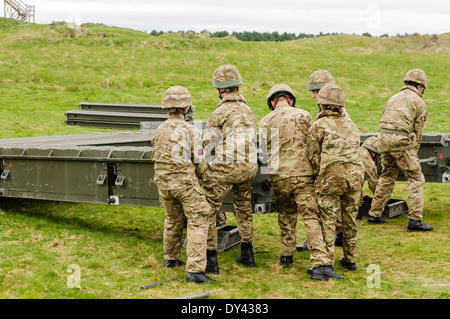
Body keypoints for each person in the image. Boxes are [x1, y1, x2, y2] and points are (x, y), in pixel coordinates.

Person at [259, 84, 334, 278]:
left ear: (273, 102)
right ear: (291, 100)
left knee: (285, 214)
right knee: (310, 217)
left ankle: (286, 256)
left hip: (279, 175)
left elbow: (263, 154)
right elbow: (313, 144)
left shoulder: (265, 121)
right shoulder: (304, 115)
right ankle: (320, 263)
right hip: (302, 175)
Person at [152, 86, 214, 283]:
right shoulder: (190, 130)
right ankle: (195, 270)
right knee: (200, 216)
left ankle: (170, 259)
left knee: (172, 218)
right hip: (184, 183)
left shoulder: (159, 129)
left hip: (163, 184)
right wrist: (206, 176)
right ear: (186, 109)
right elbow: (199, 159)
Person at [202, 64, 259, 272]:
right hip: (249, 167)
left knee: (208, 208)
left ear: (220, 89)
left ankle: (210, 261)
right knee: (243, 208)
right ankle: (247, 254)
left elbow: (208, 142)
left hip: (226, 167)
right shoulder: (249, 110)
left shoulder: (219, 112)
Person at [307, 83, 364, 276]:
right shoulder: (351, 124)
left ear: (322, 105)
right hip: (355, 178)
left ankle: (327, 262)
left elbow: (313, 155)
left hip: (331, 179)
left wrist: (317, 178)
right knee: (349, 220)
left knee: (328, 220)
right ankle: (350, 259)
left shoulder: (319, 125)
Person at [368, 69, 433, 232]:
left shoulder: (393, 98)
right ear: (420, 86)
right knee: (416, 177)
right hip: (400, 141)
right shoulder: (419, 102)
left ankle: (374, 214)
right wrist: (413, 153)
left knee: (387, 175)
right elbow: (418, 131)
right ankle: (415, 220)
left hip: (382, 140)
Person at [298, 69, 344, 252]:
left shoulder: (335, 113)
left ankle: (325, 241)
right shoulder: (333, 110)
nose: (313, 97)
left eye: (315, 92)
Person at [357, 136, 381, 219]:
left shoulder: (357, 151)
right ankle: (356, 213)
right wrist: (380, 200)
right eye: (378, 155)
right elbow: (373, 183)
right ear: (373, 152)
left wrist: (364, 197)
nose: (377, 158)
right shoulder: (366, 159)